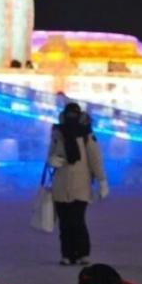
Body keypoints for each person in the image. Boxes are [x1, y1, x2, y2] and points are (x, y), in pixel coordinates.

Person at [47, 102, 109, 266]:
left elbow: (95, 160)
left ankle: (82, 253)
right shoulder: (57, 133)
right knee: (64, 223)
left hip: (81, 186)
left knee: (77, 221)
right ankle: (67, 254)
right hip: (60, 185)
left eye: (74, 114)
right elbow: (51, 153)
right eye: (69, 114)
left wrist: (102, 181)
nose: (71, 118)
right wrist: (52, 160)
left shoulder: (87, 135)